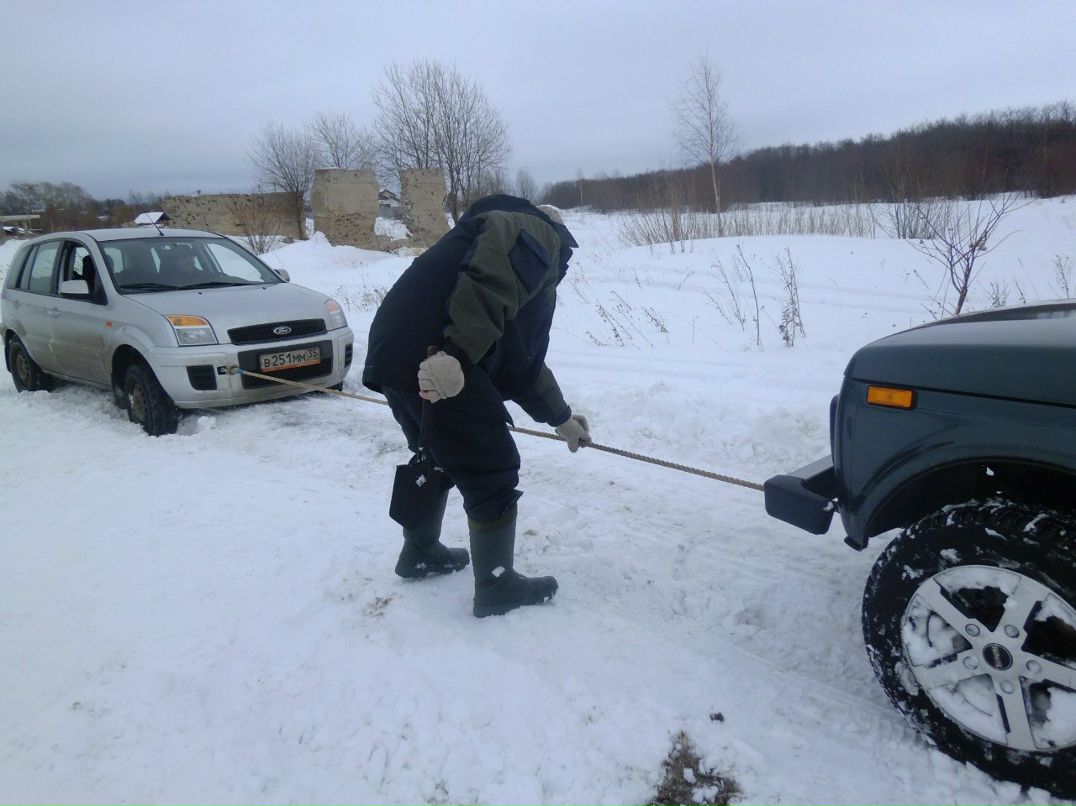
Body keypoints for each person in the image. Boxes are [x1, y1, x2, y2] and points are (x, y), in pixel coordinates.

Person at [363, 194, 591, 618]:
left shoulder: (478, 239)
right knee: (491, 466)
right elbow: (489, 287)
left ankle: (421, 553)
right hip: (438, 354)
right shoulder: (531, 230)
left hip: (397, 351)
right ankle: (497, 584)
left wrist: (561, 418)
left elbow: (520, 363)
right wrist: (457, 354)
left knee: (440, 454)